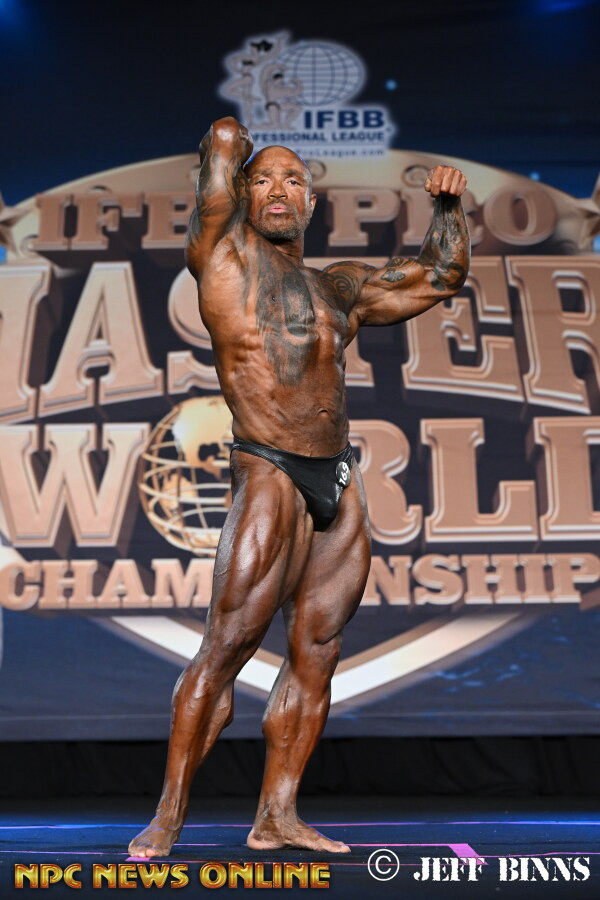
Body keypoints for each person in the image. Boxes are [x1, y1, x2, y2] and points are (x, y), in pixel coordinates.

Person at [128, 117, 470, 857]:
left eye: (293, 180)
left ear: (312, 202)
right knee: (227, 647)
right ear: (243, 191)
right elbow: (223, 143)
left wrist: (447, 210)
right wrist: (231, 148)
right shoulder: (222, 256)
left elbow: (440, 277)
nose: (278, 189)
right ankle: (168, 816)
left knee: (319, 651)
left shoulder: (338, 288)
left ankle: (276, 815)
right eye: (263, 179)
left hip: (336, 479)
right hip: (270, 468)